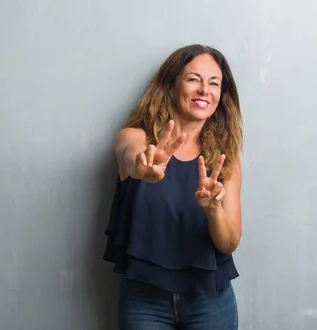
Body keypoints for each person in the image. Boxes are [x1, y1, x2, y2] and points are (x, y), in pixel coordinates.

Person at [102, 44, 243, 330]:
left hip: (211, 302)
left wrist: (214, 209)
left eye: (214, 83)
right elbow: (130, 156)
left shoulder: (225, 157)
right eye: (194, 79)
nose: (205, 90)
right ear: (170, 85)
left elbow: (229, 243)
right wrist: (141, 166)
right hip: (145, 301)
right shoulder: (134, 138)